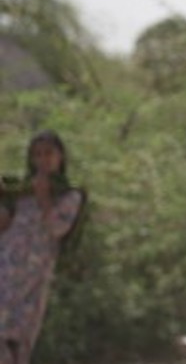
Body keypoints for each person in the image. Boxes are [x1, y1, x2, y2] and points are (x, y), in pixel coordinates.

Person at [0, 131, 85, 364]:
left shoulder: (69, 195)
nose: (43, 160)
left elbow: (58, 228)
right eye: (37, 155)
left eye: (49, 153)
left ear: (60, 157)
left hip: (33, 277)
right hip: (6, 270)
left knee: (19, 337)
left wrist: (44, 196)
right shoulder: (20, 192)